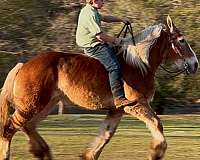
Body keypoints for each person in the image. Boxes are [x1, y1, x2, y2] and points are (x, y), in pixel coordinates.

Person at [76, 0, 134, 108]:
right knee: (114, 67)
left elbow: (105, 18)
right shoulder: (90, 14)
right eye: (101, 0)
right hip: (93, 46)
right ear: (93, 1)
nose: (103, 2)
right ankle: (119, 98)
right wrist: (117, 41)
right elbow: (100, 36)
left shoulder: (92, 10)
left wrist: (121, 19)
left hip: (96, 43)